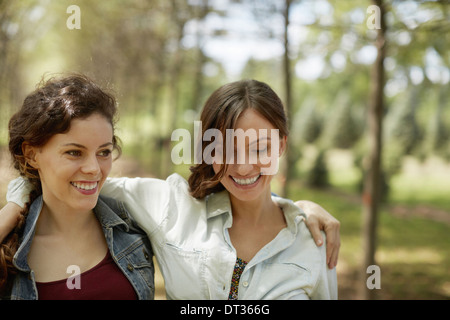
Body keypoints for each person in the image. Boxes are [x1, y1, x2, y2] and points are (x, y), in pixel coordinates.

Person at [1, 78, 340, 299]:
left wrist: (301, 207)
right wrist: (15, 206)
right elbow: (72, 183)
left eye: (259, 148)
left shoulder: (313, 242)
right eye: (228, 149)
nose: (244, 166)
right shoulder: (171, 207)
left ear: (281, 145)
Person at [0, 74, 155, 299]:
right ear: (31, 154)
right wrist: (10, 212)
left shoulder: (134, 227)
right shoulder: (10, 249)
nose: (94, 168)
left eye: (104, 152)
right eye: (74, 152)